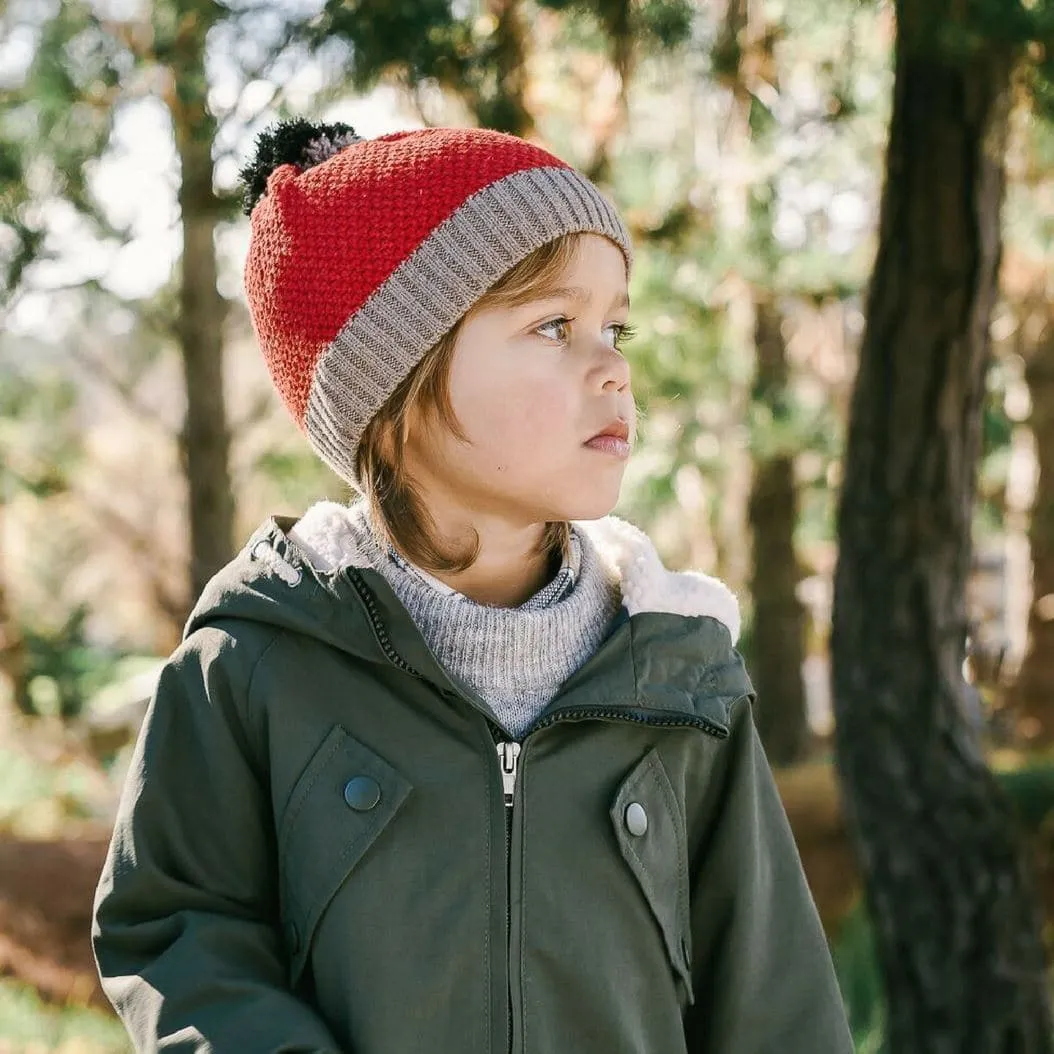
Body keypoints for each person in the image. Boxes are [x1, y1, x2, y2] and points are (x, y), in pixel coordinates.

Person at [91, 118, 854, 1053]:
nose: (612, 366)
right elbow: (178, 933)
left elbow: (776, 1003)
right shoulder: (251, 664)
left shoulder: (681, 678)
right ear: (397, 386)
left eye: (615, 326)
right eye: (553, 326)